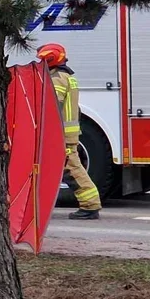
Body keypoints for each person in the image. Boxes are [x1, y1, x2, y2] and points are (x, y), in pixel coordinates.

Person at [37, 43, 103, 219]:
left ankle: (90, 205)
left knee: (71, 168)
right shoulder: (67, 76)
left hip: (61, 135)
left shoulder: (57, 77)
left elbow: (51, 104)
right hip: (66, 133)